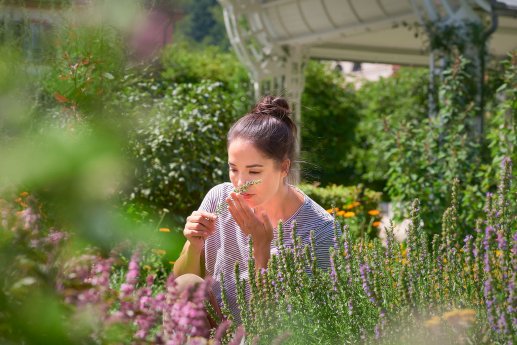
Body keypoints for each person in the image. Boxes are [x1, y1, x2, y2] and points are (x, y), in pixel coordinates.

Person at [173, 96, 336, 323]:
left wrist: (262, 247)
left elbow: (290, 324)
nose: (240, 182)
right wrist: (194, 244)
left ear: (283, 167)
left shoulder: (319, 231)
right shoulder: (219, 198)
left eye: (254, 172)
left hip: (272, 333)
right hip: (216, 333)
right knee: (186, 284)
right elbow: (181, 284)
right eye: (234, 169)